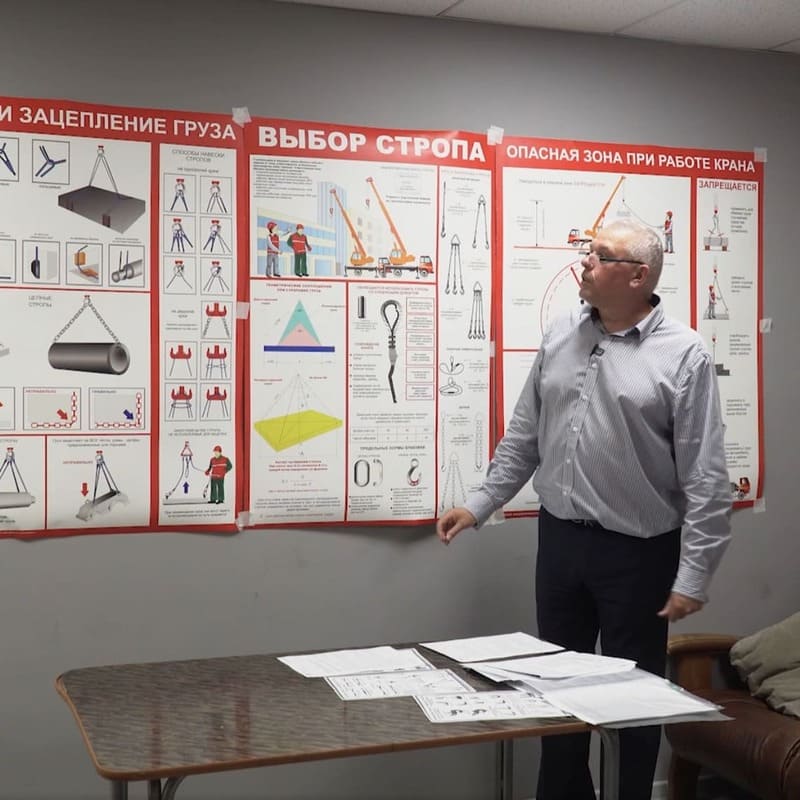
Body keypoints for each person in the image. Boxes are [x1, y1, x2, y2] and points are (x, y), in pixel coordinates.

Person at [436, 220, 732, 800]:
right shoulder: (560, 333)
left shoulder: (685, 355)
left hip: (639, 554)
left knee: (633, 705)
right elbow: (525, 434)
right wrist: (479, 503)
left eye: (600, 255)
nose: (585, 262)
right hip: (561, 546)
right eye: (587, 252)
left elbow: (706, 477)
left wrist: (693, 576)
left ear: (638, 276)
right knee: (557, 699)